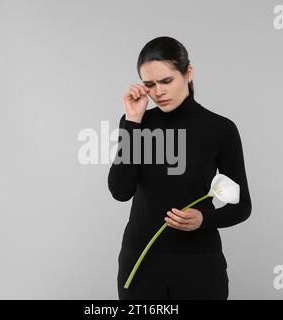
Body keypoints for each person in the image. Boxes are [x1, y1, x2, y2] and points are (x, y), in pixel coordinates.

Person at [108, 36, 252, 300]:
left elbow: (242, 206)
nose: (158, 92)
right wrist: (132, 121)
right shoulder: (137, 123)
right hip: (141, 260)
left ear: (188, 73)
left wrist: (203, 219)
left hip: (199, 264)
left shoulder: (221, 129)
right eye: (149, 84)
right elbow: (120, 190)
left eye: (166, 81)